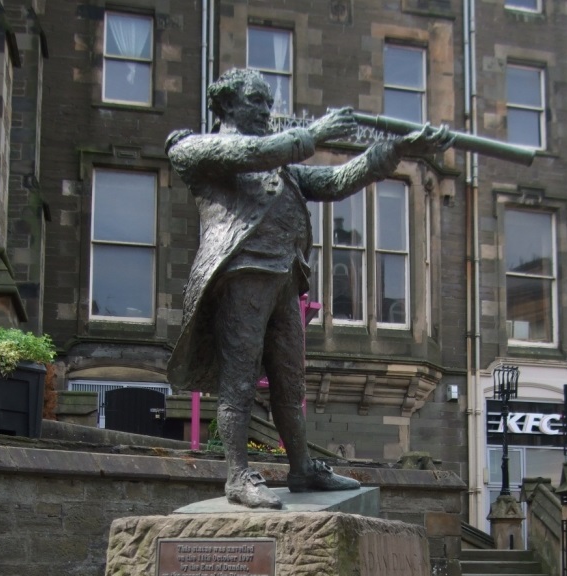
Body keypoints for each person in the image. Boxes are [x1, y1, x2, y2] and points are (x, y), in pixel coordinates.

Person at [166, 67, 451, 509]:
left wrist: (394, 150)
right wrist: (314, 131)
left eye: (268, 101)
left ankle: (300, 468)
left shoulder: (283, 170)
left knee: (289, 381)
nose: (266, 109)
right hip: (242, 275)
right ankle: (237, 476)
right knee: (238, 381)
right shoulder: (196, 148)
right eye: (256, 100)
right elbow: (255, 151)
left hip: (283, 277)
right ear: (225, 104)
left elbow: (337, 181)